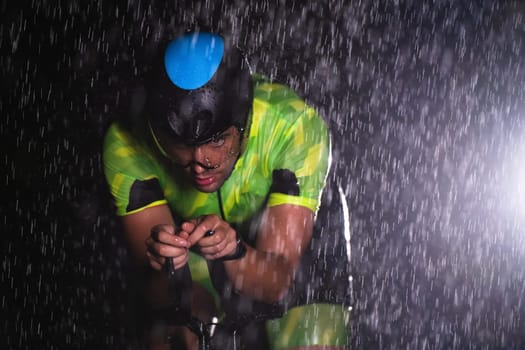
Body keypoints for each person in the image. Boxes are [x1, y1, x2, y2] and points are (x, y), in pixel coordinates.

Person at [103, 30, 349, 349]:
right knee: (176, 336)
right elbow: (159, 291)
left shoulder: (295, 127)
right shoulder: (126, 144)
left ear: (243, 125)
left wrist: (234, 253)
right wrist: (170, 267)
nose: (200, 162)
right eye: (180, 145)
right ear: (156, 131)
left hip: (294, 250)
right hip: (197, 245)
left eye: (217, 140)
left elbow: (277, 284)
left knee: (311, 341)